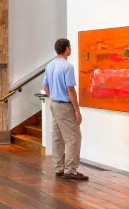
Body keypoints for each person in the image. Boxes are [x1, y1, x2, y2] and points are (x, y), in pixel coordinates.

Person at [42, 38, 88, 181]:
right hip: (64, 106)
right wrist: (77, 110)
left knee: (57, 136)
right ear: (66, 48)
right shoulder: (67, 66)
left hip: (54, 104)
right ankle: (71, 170)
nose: (71, 49)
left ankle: (59, 168)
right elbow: (70, 90)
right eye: (70, 47)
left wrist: (53, 97)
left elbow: (45, 86)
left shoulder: (50, 65)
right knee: (73, 138)